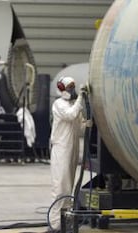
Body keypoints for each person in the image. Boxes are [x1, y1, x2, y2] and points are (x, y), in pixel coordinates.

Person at [48, 76, 89, 232]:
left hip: (72, 148)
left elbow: (79, 125)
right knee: (60, 187)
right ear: (62, 88)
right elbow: (71, 115)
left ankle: (65, 224)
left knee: (69, 187)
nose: (72, 89)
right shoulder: (58, 104)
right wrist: (80, 98)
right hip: (61, 149)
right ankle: (55, 225)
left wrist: (87, 123)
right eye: (69, 87)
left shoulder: (73, 104)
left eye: (74, 86)